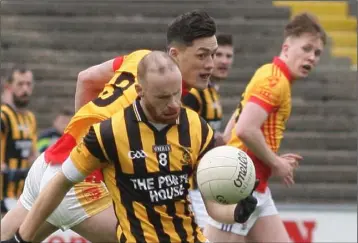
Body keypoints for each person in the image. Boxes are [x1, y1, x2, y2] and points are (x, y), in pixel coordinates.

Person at [0, 10, 224, 242]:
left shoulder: (140, 59)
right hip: (80, 180)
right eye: (202, 56)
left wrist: (85, 141)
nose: (211, 64)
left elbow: (86, 78)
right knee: (150, 234)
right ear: (174, 54)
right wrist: (92, 151)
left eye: (213, 55)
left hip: (51, 162)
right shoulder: (163, 99)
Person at [12, 51, 258, 243]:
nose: (174, 105)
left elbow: (211, 205)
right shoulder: (108, 133)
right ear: (140, 91)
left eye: (176, 94)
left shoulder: (196, 127)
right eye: (164, 98)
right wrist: (22, 237)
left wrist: (236, 211)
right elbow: (60, 182)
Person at [204, 13, 326, 243]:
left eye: (317, 53)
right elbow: (246, 129)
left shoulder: (271, 74)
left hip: (255, 183)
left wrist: (270, 158)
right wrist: (276, 162)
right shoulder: (275, 80)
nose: (312, 57)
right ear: (287, 47)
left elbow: (236, 125)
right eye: (306, 48)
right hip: (238, 184)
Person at [182, 34, 235, 229]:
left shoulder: (213, 92)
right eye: (218, 55)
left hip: (202, 185)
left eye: (229, 56)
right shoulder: (194, 94)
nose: (224, 61)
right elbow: (183, 135)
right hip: (189, 186)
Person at [0, 65, 37, 215]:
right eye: (20, 84)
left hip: (20, 199)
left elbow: (33, 155)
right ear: (9, 87)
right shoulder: (3, 116)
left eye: (28, 84)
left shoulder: (30, 118)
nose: (25, 89)